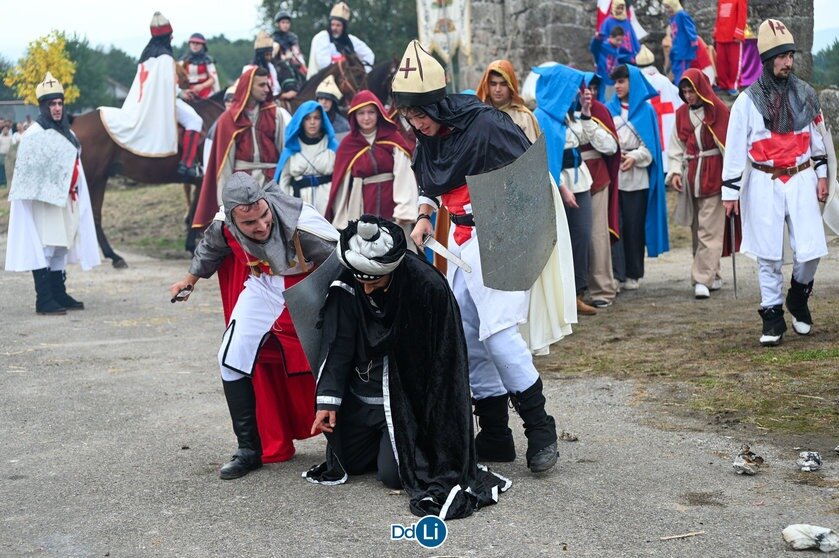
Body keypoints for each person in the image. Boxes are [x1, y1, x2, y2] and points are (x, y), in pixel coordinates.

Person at [393, 40, 560, 473]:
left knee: (500, 333)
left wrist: (510, 227)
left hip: (502, 236)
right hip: (462, 242)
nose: (416, 123)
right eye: (409, 115)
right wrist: (426, 214)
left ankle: (541, 430)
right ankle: (495, 435)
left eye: (420, 113)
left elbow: (529, 177)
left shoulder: (486, 125)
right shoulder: (426, 138)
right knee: (465, 334)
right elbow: (430, 182)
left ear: (439, 104)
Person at [304, 215, 511, 519]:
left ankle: (397, 444)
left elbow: (444, 364)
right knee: (348, 461)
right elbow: (338, 345)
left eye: (374, 282)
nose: (367, 291)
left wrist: (438, 426)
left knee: (393, 474)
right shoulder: (349, 283)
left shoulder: (426, 287)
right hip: (363, 399)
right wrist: (327, 401)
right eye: (362, 281)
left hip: (408, 407)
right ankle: (380, 441)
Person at [170, 172, 338, 479]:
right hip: (262, 286)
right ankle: (249, 448)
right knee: (230, 358)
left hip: (306, 286)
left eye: (264, 216)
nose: (261, 226)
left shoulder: (300, 221)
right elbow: (209, 249)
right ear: (234, 219)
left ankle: (343, 443)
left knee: (323, 357)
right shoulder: (224, 224)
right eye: (250, 223)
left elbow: (339, 259)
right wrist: (190, 279)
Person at [721, 19, 829, 346]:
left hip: (801, 176)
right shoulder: (746, 103)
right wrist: (730, 192)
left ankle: (797, 296)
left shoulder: (806, 95)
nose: (788, 62)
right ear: (767, 60)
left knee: (810, 250)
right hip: (763, 181)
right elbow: (736, 148)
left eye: (790, 55)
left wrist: (822, 175)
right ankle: (772, 316)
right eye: (781, 56)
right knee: (768, 254)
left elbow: (818, 140)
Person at [5, 72, 100, 314]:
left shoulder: (68, 133)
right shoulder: (33, 135)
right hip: (43, 203)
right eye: (52, 104)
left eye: (59, 103)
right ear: (43, 107)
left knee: (61, 246)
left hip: (67, 199)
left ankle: (58, 293)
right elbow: (28, 174)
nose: (57, 108)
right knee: (46, 247)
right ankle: (43, 299)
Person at [99, 12, 204, 179]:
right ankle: (188, 164)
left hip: (143, 101)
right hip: (159, 102)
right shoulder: (165, 57)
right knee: (195, 121)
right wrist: (182, 93)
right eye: (170, 36)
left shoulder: (145, 54)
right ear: (167, 37)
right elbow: (166, 86)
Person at [532, 64, 601, 317]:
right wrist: (561, 188)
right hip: (558, 185)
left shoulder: (567, 115)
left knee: (582, 237)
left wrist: (584, 111)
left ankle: (578, 293)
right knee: (560, 241)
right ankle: (561, 300)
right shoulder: (542, 116)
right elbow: (547, 157)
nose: (576, 92)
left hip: (580, 181)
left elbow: (581, 140)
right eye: (573, 88)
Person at [192, 66, 291, 229]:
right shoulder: (228, 120)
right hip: (242, 189)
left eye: (267, 84)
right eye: (261, 85)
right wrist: (225, 205)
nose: (266, 89)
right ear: (248, 86)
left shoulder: (275, 114)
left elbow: (285, 156)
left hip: (273, 185)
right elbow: (224, 168)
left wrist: (285, 190)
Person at [666, 68, 729, 299]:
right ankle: (714, 274)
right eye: (684, 92)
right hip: (691, 176)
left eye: (690, 91)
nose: (687, 96)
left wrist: (732, 179)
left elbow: (728, 145)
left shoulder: (718, 110)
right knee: (696, 230)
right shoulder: (681, 113)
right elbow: (676, 147)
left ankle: (702, 279)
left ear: (699, 88)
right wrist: (674, 172)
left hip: (714, 176)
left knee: (709, 231)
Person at [607, 64, 669, 291]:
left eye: (622, 81)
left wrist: (634, 156)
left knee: (634, 228)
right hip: (615, 180)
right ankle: (617, 273)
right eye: (615, 82)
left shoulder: (646, 111)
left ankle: (634, 272)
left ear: (632, 83)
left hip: (637, 180)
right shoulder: (609, 109)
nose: (618, 86)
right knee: (616, 227)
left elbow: (651, 147)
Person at [325, 90, 417, 242]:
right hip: (362, 205)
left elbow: (404, 174)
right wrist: (343, 217)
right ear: (354, 115)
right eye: (361, 113)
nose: (366, 118)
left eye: (371, 112)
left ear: (378, 113)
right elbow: (341, 185)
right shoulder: (348, 145)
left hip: (393, 206)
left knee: (398, 249)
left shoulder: (393, 138)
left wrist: (404, 209)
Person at [580, 73, 621, 309]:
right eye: (587, 87)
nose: (591, 92)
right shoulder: (562, 108)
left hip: (596, 178)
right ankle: (578, 288)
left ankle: (602, 287)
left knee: (597, 234)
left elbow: (611, 147)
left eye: (595, 88)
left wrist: (588, 121)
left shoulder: (599, 110)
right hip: (569, 178)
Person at [275, 100, 337, 215]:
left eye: (316, 118)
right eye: (307, 118)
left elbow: (340, 181)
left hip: (328, 204)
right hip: (299, 206)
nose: (312, 122)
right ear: (301, 121)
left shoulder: (332, 147)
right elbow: (283, 182)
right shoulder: (292, 149)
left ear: (322, 120)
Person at [635, 45, 684, 173]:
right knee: (668, 141)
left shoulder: (639, 81)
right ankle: (669, 170)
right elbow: (679, 98)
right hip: (667, 117)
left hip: (649, 119)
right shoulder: (665, 80)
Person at [475, 59, 540, 142]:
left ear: (510, 86)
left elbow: (532, 152)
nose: (498, 89)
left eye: (503, 84)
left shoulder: (524, 118)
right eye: (493, 84)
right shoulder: (478, 114)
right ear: (487, 85)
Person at [307, 2, 375, 79]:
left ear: (344, 27)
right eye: (333, 24)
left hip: (348, 80)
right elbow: (324, 64)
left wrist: (363, 72)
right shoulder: (322, 37)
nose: (334, 28)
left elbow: (369, 55)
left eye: (338, 25)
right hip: (325, 81)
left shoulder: (351, 40)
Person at [589, 26, 634, 102]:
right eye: (618, 40)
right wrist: (597, 39)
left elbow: (621, 57)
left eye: (621, 40)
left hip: (613, 81)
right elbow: (593, 48)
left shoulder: (617, 47)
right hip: (603, 80)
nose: (620, 43)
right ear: (611, 37)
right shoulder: (602, 46)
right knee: (604, 102)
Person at [714, 0, 747, 95]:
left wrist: (739, 33)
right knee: (721, 62)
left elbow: (742, 15)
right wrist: (716, 32)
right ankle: (723, 84)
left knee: (734, 63)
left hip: (733, 36)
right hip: (721, 35)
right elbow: (719, 16)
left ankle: (733, 85)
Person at [663, 0, 698, 84]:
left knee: (682, 73)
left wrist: (693, 40)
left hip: (683, 50)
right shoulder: (672, 18)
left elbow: (690, 27)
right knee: (676, 70)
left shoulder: (682, 15)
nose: (668, 10)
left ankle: (680, 91)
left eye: (669, 7)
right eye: (666, 8)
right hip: (676, 50)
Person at [179, 33, 219, 100]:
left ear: (202, 45)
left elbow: (213, 79)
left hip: (206, 92)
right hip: (188, 92)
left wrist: (202, 86)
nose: (195, 45)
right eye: (193, 43)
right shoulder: (184, 60)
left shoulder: (208, 60)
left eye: (198, 43)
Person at [272, 10, 307, 74]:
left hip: (293, 63)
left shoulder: (293, 37)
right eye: (283, 22)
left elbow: (297, 53)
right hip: (279, 65)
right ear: (278, 24)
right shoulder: (274, 39)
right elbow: (273, 56)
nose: (285, 25)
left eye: (287, 23)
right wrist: (284, 58)